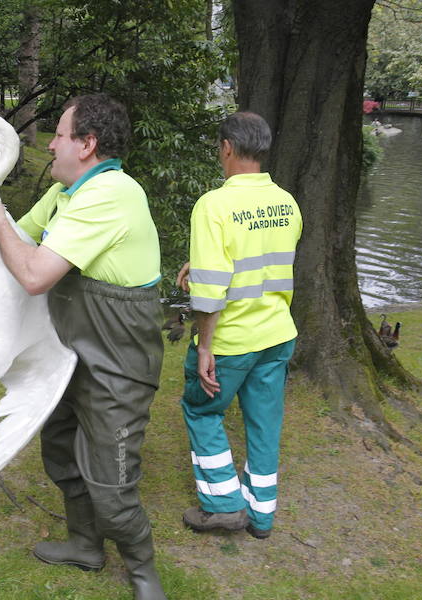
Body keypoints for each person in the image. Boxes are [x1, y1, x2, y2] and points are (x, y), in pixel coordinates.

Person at [0, 93, 166, 600]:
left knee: (112, 485)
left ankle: (144, 572)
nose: (50, 144)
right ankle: (84, 545)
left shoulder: (112, 195)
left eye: (58, 134)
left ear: (87, 144)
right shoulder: (67, 193)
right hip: (67, 356)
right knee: (59, 451)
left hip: (118, 367)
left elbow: (33, 274)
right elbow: (17, 237)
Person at [176, 112, 302, 540]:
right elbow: (265, 257)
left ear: (227, 147)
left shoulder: (214, 205)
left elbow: (210, 290)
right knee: (265, 423)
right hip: (278, 333)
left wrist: (205, 346)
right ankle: (261, 516)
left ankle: (224, 506)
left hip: (232, 340)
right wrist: (202, 263)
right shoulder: (287, 202)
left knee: (202, 408)